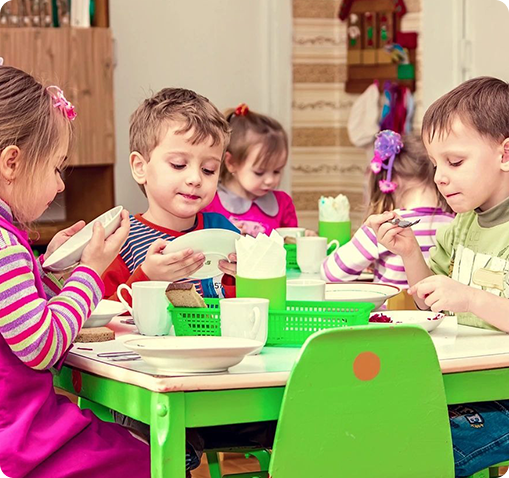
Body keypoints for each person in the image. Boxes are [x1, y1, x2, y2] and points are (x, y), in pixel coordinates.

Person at [0, 63, 152, 476]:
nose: (61, 185)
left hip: (17, 432)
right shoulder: (5, 245)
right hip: (22, 441)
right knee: (149, 460)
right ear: (11, 163)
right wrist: (90, 272)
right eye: (55, 168)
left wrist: (51, 274)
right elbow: (41, 347)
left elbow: (16, 322)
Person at [367, 77, 509, 477]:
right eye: (436, 165)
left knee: (415, 452)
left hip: (502, 394)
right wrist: (410, 252)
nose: (440, 177)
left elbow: (465, 301)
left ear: (505, 154)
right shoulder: (460, 225)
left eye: (455, 162)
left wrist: (470, 299)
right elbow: (426, 300)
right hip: (460, 383)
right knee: (378, 425)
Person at [102, 87, 238, 300]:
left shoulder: (223, 231)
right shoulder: (120, 241)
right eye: (178, 165)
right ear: (140, 167)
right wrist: (147, 277)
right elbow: (100, 317)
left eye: (208, 169)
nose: (195, 178)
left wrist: (244, 277)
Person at [321, 131, 454, 289]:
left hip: (389, 313)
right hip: (437, 313)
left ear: (392, 178)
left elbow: (331, 273)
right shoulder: (455, 224)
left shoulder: (385, 226)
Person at [203, 103, 299, 237]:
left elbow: (290, 246)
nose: (271, 180)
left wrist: (303, 240)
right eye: (259, 172)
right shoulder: (209, 202)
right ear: (231, 162)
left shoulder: (283, 204)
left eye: (277, 171)